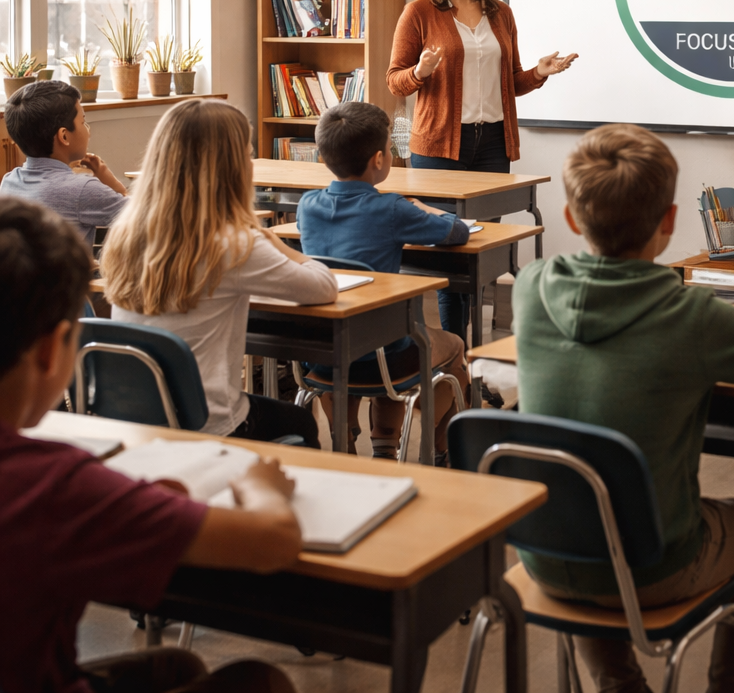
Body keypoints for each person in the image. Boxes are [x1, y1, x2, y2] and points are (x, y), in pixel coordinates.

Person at [513, 124, 734, 693]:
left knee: (592, 506)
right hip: (655, 566)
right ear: (668, 221)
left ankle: (619, 683)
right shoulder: (691, 315)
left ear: (568, 218)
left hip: (543, 551)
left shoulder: (532, 287)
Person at [0, 195, 303, 693]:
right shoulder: (53, 485)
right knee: (258, 681)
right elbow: (273, 540)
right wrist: (260, 483)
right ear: (53, 349)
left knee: (174, 670)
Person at [101, 99, 337, 448]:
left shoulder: (127, 232)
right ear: (231, 166)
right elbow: (324, 286)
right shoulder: (235, 244)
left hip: (135, 415)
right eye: (248, 152)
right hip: (207, 423)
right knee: (300, 422)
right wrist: (274, 241)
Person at [386, 0, 577, 340]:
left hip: (492, 144)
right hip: (437, 148)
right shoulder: (418, 12)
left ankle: (479, 356)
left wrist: (540, 72)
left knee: (484, 254)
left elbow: (510, 85)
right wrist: (420, 72)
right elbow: (394, 79)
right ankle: (454, 355)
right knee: (448, 254)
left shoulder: (500, 13)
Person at [296, 101, 470, 463]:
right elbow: (456, 232)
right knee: (448, 344)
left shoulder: (307, 205)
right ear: (378, 160)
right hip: (386, 355)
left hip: (323, 352)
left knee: (365, 333)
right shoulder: (393, 209)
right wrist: (422, 208)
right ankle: (438, 454)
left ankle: (343, 438)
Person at [0, 79, 127, 249]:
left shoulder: (9, 181)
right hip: (70, 276)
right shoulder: (83, 189)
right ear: (64, 136)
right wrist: (115, 186)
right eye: (83, 122)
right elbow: (144, 217)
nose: (88, 131)